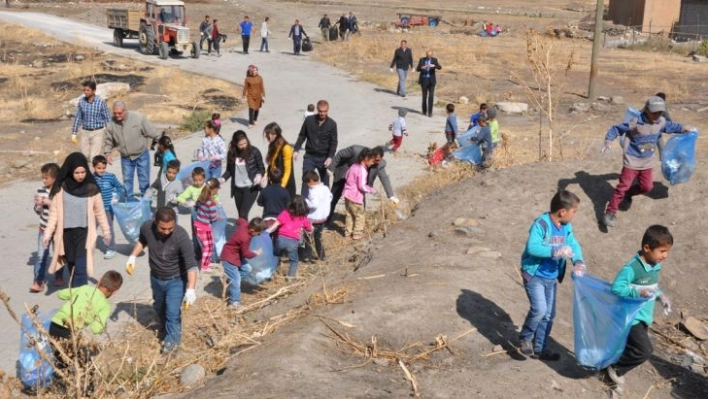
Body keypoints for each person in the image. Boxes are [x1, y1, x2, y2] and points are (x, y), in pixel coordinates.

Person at [601, 96, 692, 227]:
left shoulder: (660, 121)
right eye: (654, 112)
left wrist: (683, 128)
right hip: (631, 161)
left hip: (647, 163)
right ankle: (610, 213)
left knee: (646, 187)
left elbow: (671, 126)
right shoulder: (635, 122)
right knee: (622, 187)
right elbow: (616, 129)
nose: (657, 115)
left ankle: (629, 194)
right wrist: (608, 139)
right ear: (647, 110)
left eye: (660, 112)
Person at [605, 225, 673, 396]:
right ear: (647, 248)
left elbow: (652, 287)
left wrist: (661, 297)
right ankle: (614, 370)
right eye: (662, 251)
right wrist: (637, 291)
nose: (665, 256)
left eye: (667, 251)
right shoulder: (632, 268)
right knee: (644, 351)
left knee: (630, 348)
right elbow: (617, 288)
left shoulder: (654, 265)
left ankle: (610, 376)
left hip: (644, 318)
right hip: (630, 317)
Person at [519, 190, 586, 361]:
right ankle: (526, 337)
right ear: (562, 212)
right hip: (535, 276)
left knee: (549, 315)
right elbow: (532, 248)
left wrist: (578, 262)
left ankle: (540, 349)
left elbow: (573, 245)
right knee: (540, 309)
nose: (574, 215)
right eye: (574, 211)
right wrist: (554, 251)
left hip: (551, 278)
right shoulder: (541, 225)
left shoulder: (566, 227)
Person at [126, 207, 198, 354]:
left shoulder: (181, 236)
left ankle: (172, 344)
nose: (166, 232)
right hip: (156, 277)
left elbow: (191, 266)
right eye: (162, 228)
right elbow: (142, 241)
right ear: (155, 222)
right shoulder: (147, 227)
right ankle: (166, 330)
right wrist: (132, 256)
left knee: (172, 312)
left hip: (176, 280)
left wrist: (191, 289)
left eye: (170, 228)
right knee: (159, 307)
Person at [43, 152, 112, 288]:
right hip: (66, 234)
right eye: (77, 173)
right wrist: (47, 233)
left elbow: (100, 212)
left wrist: (107, 232)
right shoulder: (61, 188)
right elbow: (54, 214)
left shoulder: (91, 189)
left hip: (84, 233)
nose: (81, 176)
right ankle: (76, 296)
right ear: (70, 171)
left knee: (81, 268)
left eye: (83, 172)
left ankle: (81, 296)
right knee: (72, 266)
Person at [49, 270, 123, 376]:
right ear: (115, 291)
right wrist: (102, 325)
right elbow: (96, 329)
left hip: (54, 325)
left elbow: (60, 294)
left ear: (100, 281)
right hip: (70, 332)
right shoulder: (105, 306)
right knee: (85, 365)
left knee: (61, 360)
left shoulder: (84, 288)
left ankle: (58, 383)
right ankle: (88, 390)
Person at [327, 145, 397, 225]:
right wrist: (331, 168)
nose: (377, 163)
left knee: (360, 202)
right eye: (376, 160)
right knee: (334, 197)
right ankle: (326, 218)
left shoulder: (379, 164)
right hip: (343, 174)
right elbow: (340, 154)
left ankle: (358, 225)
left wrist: (391, 195)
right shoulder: (355, 150)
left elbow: (384, 177)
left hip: (360, 183)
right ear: (371, 155)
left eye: (379, 160)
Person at [103, 101, 160, 196]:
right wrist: (107, 153)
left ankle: (145, 204)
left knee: (144, 181)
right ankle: (129, 205)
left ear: (125, 111)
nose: (117, 115)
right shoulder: (111, 123)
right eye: (114, 113)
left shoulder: (138, 118)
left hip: (141, 155)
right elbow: (108, 140)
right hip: (126, 158)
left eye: (119, 113)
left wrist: (163, 143)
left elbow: (152, 132)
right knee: (127, 182)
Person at [294, 99, 338, 198]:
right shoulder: (309, 120)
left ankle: (325, 207)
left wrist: (330, 157)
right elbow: (302, 135)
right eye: (321, 111)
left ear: (328, 110)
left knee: (325, 182)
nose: (323, 113)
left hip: (324, 158)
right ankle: (303, 206)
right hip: (310, 156)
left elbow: (333, 142)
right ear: (317, 110)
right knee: (306, 180)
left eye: (325, 111)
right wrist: (296, 149)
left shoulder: (332, 124)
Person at [220, 217, 265, 308]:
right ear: (252, 230)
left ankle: (231, 283)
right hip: (229, 258)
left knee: (247, 268)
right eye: (258, 233)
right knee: (236, 280)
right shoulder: (245, 238)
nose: (258, 235)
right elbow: (246, 254)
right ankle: (234, 303)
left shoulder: (245, 224)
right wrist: (256, 253)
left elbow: (240, 220)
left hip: (236, 255)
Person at [221, 130, 265, 220]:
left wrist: (259, 175)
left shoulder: (254, 151)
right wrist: (222, 179)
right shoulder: (231, 154)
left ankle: (245, 233)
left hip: (251, 188)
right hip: (237, 189)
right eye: (240, 144)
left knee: (243, 213)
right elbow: (229, 171)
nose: (243, 146)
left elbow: (261, 167)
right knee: (241, 216)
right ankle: (245, 232)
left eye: (245, 143)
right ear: (235, 144)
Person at [30, 162, 60, 293]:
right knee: (41, 256)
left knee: (59, 254)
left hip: (58, 229)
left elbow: (63, 208)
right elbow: (38, 211)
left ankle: (59, 275)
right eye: (42, 177)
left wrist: (49, 202)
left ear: (55, 177)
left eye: (46, 178)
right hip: (44, 228)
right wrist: (38, 205)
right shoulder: (40, 190)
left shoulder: (61, 190)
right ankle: (38, 281)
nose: (44, 180)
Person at [266, 195, 312, 278]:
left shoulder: (285, 213)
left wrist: (266, 232)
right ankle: (290, 277)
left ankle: (271, 273)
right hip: (293, 242)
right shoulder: (303, 217)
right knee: (294, 261)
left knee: (276, 255)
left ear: (291, 204)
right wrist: (311, 228)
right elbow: (309, 229)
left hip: (280, 240)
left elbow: (275, 225)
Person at [71, 81, 111, 164]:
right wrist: (74, 133)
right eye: (84, 90)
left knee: (94, 157)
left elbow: (107, 118)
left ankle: (93, 175)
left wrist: (110, 133)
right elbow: (78, 117)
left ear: (94, 91)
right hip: (85, 131)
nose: (85, 92)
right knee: (83, 156)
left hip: (97, 132)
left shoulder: (101, 102)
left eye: (88, 90)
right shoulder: (81, 102)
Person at [93, 155, 124, 260]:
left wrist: (117, 196)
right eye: (98, 168)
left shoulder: (111, 177)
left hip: (108, 209)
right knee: (91, 228)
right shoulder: (91, 178)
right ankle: (88, 246)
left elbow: (120, 187)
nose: (101, 170)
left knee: (108, 229)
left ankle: (111, 248)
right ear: (94, 167)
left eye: (103, 168)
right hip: (95, 209)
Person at [342, 148, 377, 240]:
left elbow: (346, 176)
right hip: (355, 196)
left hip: (347, 194)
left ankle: (348, 234)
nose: (373, 163)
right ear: (366, 158)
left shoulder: (353, 166)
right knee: (359, 215)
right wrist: (371, 190)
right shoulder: (362, 170)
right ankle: (357, 233)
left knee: (349, 214)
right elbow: (361, 186)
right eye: (372, 160)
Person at [193, 178, 221, 273]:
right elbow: (213, 219)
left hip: (197, 225)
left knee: (204, 246)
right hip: (205, 227)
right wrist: (218, 217)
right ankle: (204, 266)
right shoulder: (211, 204)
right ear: (214, 190)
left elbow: (196, 207)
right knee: (208, 248)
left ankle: (206, 263)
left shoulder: (201, 198)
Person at [303, 171, 331, 262]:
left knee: (308, 238)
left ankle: (308, 256)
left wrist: (306, 201)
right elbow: (330, 197)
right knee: (318, 238)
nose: (307, 185)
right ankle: (322, 256)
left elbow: (314, 205)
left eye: (307, 182)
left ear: (311, 181)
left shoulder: (313, 191)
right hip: (322, 218)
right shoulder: (325, 188)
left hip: (313, 219)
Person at [264, 122, 296, 198]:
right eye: (266, 134)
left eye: (268, 134)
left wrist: (281, 187)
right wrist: (265, 174)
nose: (267, 136)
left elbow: (288, 170)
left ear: (275, 134)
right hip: (274, 181)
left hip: (285, 185)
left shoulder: (286, 148)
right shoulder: (272, 145)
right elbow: (271, 164)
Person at [416, 50, 442, 117]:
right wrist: (422, 67)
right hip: (424, 80)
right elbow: (417, 69)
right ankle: (424, 111)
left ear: (432, 55)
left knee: (431, 96)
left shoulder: (434, 60)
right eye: (428, 55)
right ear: (426, 55)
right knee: (424, 96)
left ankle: (430, 112)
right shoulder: (422, 60)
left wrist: (434, 66)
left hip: (431, 80)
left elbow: (439, 67)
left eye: (430, 55)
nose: (429, 57)